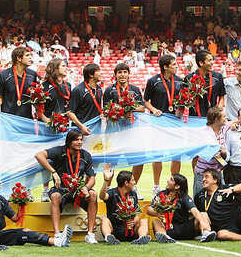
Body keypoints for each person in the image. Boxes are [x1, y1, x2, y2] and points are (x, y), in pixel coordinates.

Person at [0, 171, 71, 250]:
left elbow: (15, 219)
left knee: (25, 231)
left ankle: (57, 241)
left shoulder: (0, 199)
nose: (0, 182)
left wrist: (21, 205)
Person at [35, 129, 99, 244]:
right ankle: (57, 234)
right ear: (69, 142)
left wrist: (87, 187)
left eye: (81, 140)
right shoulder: (59, 151)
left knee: (93, 194)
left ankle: (90, 234)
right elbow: (39, 155)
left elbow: (92, 178)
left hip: (78, 190)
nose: (79, 142)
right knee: (54, 196)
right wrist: (53, 172)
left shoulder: (86, 155)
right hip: (61, 189)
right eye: (76, 140)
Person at [103, 62, 146, 197]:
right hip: (114, 132)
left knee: (140, 159)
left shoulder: (135, 89)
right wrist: (122, 113)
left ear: (129, 74)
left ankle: (134, 187)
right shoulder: (109, 91)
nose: (122, 75)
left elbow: (143, 108)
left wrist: (130, 110)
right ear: (115, 75)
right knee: (111, 163)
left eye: (125, 72)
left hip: (132, 132)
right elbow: (105, 111)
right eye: (119, 72)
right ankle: (109, 189)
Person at [143, 54, 183, 193]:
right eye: (174, 64)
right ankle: (156, 186)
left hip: (175, 122)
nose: (176, 66)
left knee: (176, 155)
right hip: (158, 123)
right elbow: (145, 101)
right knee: (157, 154)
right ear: (165, 67)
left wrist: (181, 109)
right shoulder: (153, 81)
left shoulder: (180, 81)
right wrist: (154, 110)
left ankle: (174, 185)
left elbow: (184, 100)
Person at [39, 58, 74, 202]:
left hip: (64, 128)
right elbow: (39, 109)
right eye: (63, 66)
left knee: (62, 158)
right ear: (55, 68)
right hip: (47, 128)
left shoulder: (68, 85)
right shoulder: (44, 86)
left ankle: (62, 187)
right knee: (46, 157)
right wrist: (47, 120)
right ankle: (45, 190)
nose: (66, 68)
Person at [146, 173, 216, 243]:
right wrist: (157, 213)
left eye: (171, 180)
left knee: (203, 214)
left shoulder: (184, 197)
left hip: (184, 228)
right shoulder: (161, 194)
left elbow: (194, 210)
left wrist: (202, 222)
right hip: (167, 228)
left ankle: (206, 233)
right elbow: (149, 210)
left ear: (177, 186)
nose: (168, 181)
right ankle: (165, 237)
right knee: (155, 221)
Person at [99, 164, 151, 245]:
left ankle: (141, 238)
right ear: (126, 183)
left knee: (144, 221)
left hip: (131, 230)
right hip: (115, 230)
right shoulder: (112, 193)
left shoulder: (133, 194)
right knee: (104, 220)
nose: (135, 182)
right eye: (133, 180)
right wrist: (106, 180)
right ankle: (109, 237)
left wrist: (134, 221)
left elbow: (137, 213)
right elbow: (102, 196)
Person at [192, 107, 228, 197]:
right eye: (224, 116)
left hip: (218, 173)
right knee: (199, 201)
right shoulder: (203, 133)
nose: (226, 118)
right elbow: (197, 153)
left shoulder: (224, 128)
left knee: (220, 201)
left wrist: (223, 153)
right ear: (216, 119)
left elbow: (235, 122)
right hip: (203, 174)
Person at [0, 46, 38, 119]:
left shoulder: (32, 74)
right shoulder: (3, 75)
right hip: (8, 120)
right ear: (19, 58)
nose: (30, 57)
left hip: (26, 119)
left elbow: (34, 97)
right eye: (27, 55)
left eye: (30, 55)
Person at [183, 50, 226, 118]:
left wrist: (218, 112)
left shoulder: (218, 77)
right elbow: (185, 100)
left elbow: (221, 96)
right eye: (209, 60)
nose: (212, 62)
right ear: (201, 63)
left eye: (212, 60)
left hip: (213, 118)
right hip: (195, 117)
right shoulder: (189, 78)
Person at [68, 63, 102, 136]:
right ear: (91, 74)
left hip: (96, 130)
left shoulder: (99, 89)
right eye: (98, 71)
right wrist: (81, 126)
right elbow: (69, 112)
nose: (100, 73)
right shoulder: (78, 90)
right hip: (81, 131)